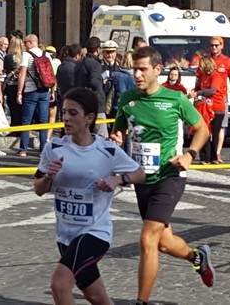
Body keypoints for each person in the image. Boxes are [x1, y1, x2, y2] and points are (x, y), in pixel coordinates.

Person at [109, 47, 213, 305]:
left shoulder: (175, 100)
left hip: (170, 175)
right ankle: (197, 257)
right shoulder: (128, 98)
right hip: (142, 178)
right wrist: (117, 136)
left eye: (143, 69)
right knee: (164, 243)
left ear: (157, 70)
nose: (137, 74)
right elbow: (119, 129)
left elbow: (202, 129)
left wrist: (189, 154)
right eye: (135, 68)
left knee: (147, 239)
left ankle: (141, 302)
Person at [33, 87, 146, 305]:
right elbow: (38, 189)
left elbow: (139, 172)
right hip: (66, 235)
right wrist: (48, 178)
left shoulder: (107, 150)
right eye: (64, 112)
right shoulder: (53, 147)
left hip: (95, 233)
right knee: (97, 297)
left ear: (89, 118)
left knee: (59, 285)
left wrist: (118, 180)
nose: (65, 118)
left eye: (73, 113)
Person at [16, 34, 54, 157]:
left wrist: (19, 92)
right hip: (45, 91)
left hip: (30, 91)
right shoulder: (46, 54)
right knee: (44, 121)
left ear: (32, 42)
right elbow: (50, 74)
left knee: (26, 121)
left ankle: (23, 149)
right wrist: (52, 91)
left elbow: (22, 75)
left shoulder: (26, 55)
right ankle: (43, 149)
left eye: (25, 42)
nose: (24, 45)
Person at [190, 56, 225, 164]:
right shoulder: (203, 77)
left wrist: (199, 93)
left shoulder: (216, 76)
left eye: (201, 65)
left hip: (216, 108)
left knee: (214, 132)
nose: (199, 68)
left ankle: (214, 156)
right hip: (205, 108)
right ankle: (205, 157)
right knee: (204, 131)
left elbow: (212, 90)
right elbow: (198, 88)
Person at [74, 37, 108, 139]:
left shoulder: (79, 63)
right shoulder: (95, 64)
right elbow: (94, 82)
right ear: (98, 50)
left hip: (81, 102)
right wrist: (101, 81)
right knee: (102, 136)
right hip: (96, 104)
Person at [3, 35, 25, 127]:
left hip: (11, 84)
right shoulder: (24, 56)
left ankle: (14, 125)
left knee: (12, 107)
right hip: (22, 84)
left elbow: (5, 69)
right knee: (21, 106)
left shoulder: (8, 57)